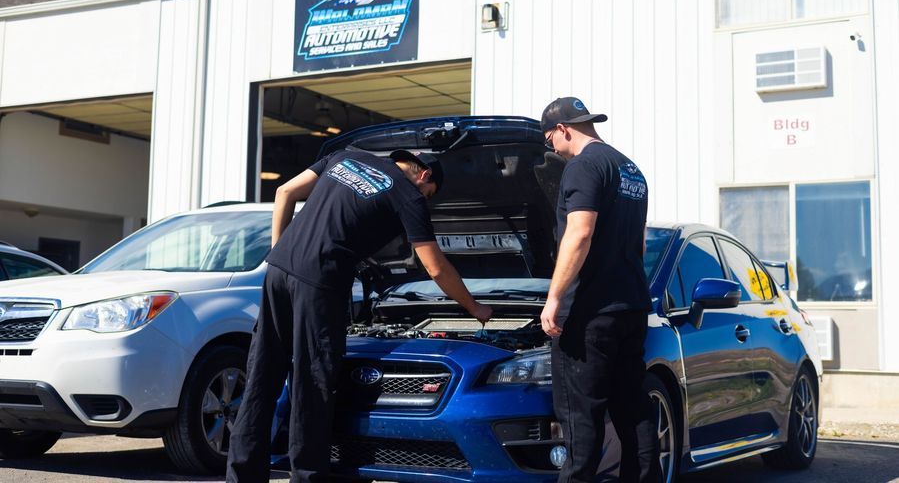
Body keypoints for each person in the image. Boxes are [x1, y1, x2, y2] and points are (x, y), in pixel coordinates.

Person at [226, 148, 493, 482]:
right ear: (425, 176)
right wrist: (474, 307)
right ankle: (307, 477)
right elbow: (435, 266)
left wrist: (281, 253)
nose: (426, 199)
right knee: (312, 385)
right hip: (320, 281)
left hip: (279, 273)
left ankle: (242, 476)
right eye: (430, 193)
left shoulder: (344, 158)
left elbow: (285, 192)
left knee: (262, 376)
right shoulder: (408, 194)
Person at [538, 97, 660, 483]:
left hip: (590, 310)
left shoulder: (583, 166)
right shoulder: (631, 169)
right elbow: (639, 245)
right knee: (633, 409)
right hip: (631, 305)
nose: (551, 150)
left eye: (549, 140)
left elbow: (581, 232)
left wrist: (555, 297)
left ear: (563, 129)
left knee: (580, 417)